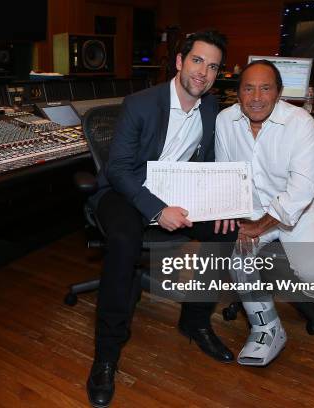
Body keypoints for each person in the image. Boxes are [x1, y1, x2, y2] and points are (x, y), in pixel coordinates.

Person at [87, 31, 237, 408]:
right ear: (179, 62)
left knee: (226, 229)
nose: (203, 72)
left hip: (178, 192)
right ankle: (106, 354)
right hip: (125, 192)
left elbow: (208, 166)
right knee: (123, 241)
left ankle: (196, 319)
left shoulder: (210, 108)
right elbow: (119, 169)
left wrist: (220, 204)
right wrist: (156, 210)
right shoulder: (141, 103)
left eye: (213, 66)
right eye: (198, 60)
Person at [215, 60, 314, 366]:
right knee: (238, 260)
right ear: (237, 92)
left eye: (265, 88)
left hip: (299, 211)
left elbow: (301, 191)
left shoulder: (301, 122)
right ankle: (267, 327)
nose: (256, 97)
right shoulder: (225, 121)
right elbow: (226, 175)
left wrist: (261, 226)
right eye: (248, 88)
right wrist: (242, 219)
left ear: (278, 92)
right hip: (251, 210)